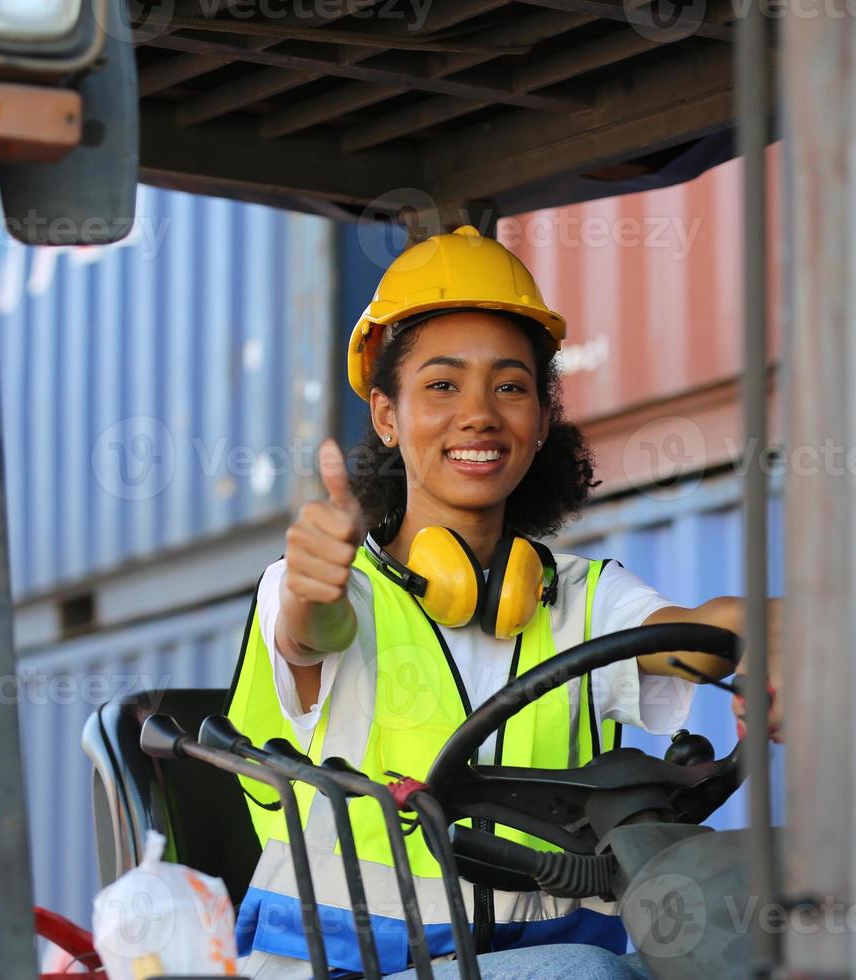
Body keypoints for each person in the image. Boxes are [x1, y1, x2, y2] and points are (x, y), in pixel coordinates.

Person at [225, 226, 779, 979]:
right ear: (387, 416)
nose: (480, 413)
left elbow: (692, 633)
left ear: (543, 418)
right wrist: (311, 585)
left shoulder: (580, 597)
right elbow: (307, 633)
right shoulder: (328, 588)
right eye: (442, 385)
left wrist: (779, 633)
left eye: (510, 386)